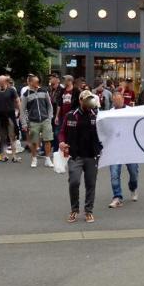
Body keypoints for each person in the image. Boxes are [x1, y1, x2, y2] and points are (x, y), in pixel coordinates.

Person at [58, 90, 102, 224]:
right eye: (87, 99)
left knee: (91, 184)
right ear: (81, 100)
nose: (89, 101)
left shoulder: (98, 116)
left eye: (91, 99)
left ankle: (88, 211)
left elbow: (107, 131)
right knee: (74, 182)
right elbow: (62, 132)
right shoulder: (71, 115)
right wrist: (61, 142)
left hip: (92, 155)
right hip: (75, 155)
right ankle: (74, 210)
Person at [107, 92, 139, 208]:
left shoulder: (131, 111)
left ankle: (133, 187)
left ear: (123, 100)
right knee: (114, 173)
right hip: (115, 148)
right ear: (112, 101)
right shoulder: (109, 114)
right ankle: (117, 196)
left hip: (129, 147)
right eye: (115, 100)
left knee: (133, 172)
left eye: (119, 100)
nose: (117, 102)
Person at [21, 75, 54, 168]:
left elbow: (49, 105)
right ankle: (34, 158)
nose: (38, 84)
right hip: (33, 121)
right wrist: (24, 123)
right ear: (30, 82)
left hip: (45, 120)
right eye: (36, 82)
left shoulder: (44, 91)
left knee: (47, 140)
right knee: (34, 141)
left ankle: (48, 159)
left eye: (38, 82)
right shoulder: (26, 94)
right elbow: (22, 110)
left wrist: (49, 117)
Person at [0, 75, 20, 162]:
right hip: (0, 117)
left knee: (12, 135)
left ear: (6, 82)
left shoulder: (11, 90)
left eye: (1, 82)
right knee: (2, 136)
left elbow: (17, 100)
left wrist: (20, 112)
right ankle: (4, 156)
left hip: (10, 116)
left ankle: (14, 156)